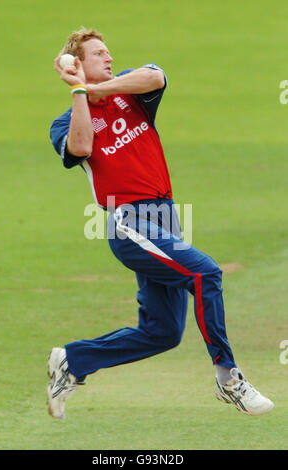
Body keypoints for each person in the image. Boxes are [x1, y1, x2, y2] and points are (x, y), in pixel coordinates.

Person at [48, 28, 274, 419]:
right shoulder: (65, 121)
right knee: (205, 274)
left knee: (163, 333)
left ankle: (74, 359)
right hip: (129, 222)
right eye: (98, 54)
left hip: (166, 219)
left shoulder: (131, 91)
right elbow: (81, 147)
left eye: (108, 52)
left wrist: (102, 87)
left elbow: (157, 76)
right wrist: (81, 91)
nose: (109, 57)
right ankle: (228, 376)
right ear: (78, 64)